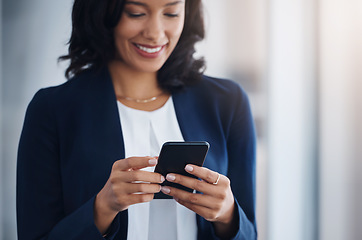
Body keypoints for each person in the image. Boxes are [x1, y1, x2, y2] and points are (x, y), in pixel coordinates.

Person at [16, 0, 257, 239]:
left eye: (171, 13)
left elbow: (250, 234)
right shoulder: (52, 110)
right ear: (103, 12)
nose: (155, 33)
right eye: (136, 13)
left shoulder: (227, 102)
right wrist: (102, 209)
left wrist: (227, 215)